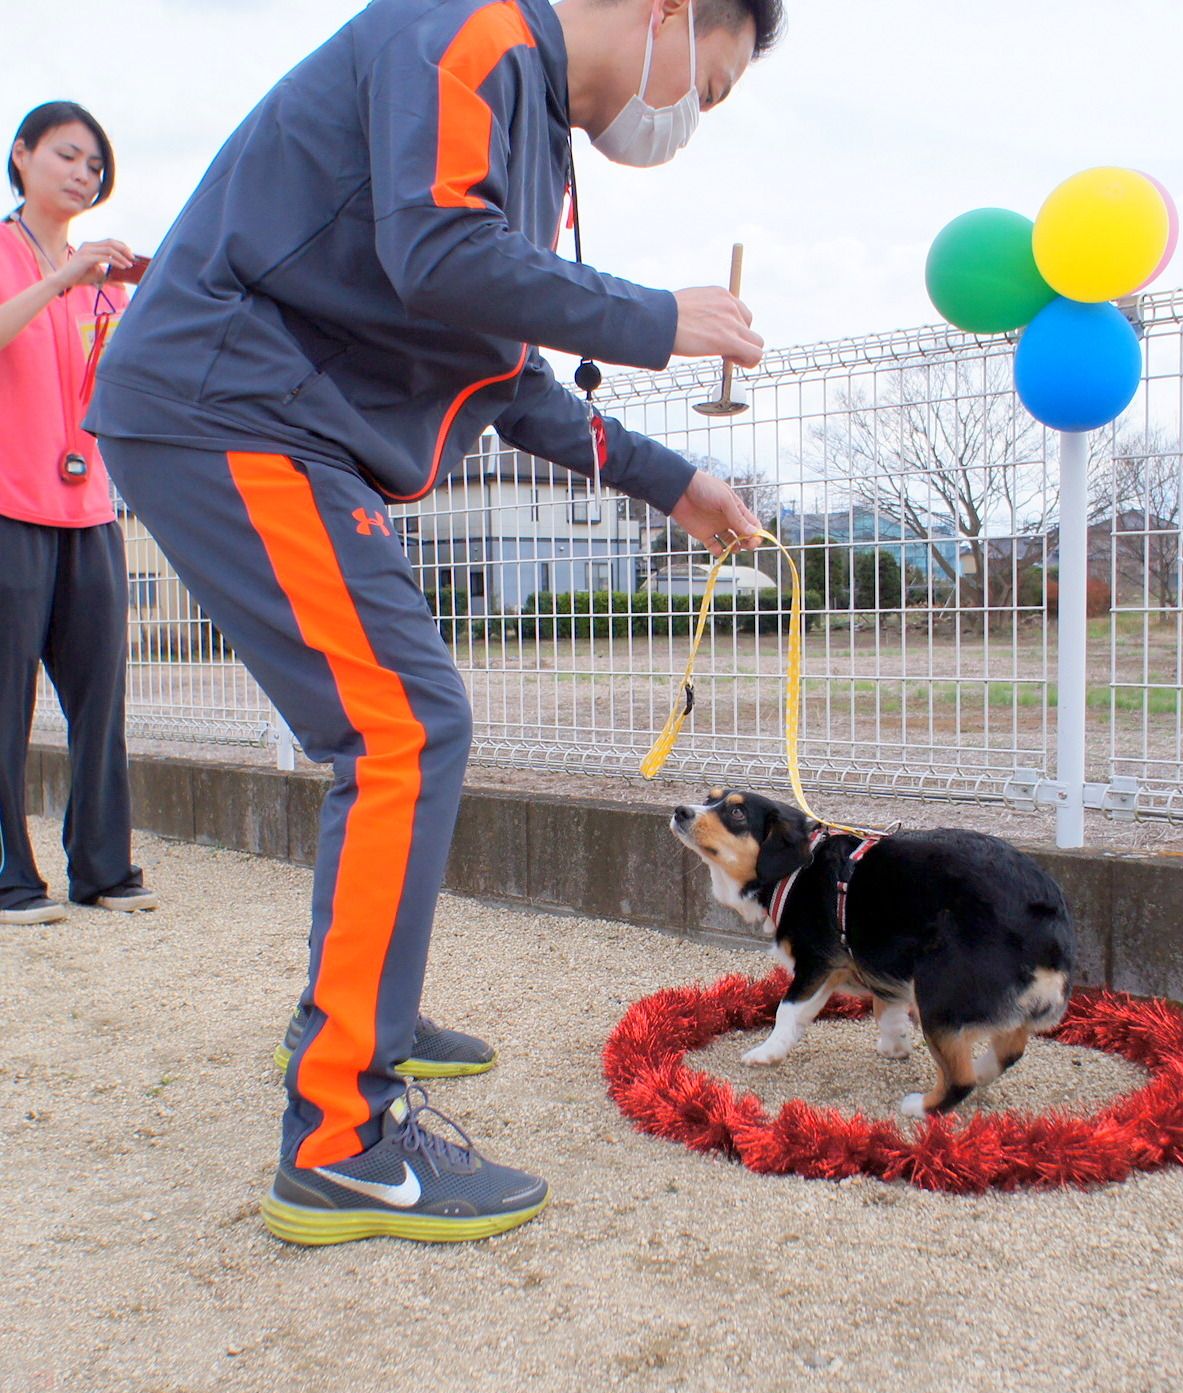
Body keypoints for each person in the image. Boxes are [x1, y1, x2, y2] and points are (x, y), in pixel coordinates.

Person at [88, 0, 784, 1246]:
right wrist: (651, 318)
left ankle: (370, 1014)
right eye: (713, 84)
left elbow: (505, 374)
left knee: (404, 725)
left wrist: (673, 482)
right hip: (229, 404)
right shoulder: (472, 32)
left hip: (273, 416)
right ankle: (340, 1138)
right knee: (404, 728)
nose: (690, 116)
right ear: (670, 13)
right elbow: (440, 255)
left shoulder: (528, 128)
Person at [0, 102, 156, 927]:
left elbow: (120, 386)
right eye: (67, 155)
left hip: (89, 511)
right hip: (6, 506)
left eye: (95, 165)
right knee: (4, 702)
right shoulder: (14, 256)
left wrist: (150, 300)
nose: (83, 174)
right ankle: (10, 880)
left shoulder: (100, 284)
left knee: (100, 701)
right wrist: (62, 280)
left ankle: (102, 869)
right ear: (22, 155)